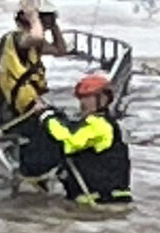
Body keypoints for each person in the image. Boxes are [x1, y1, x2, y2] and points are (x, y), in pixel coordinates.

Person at [0, 0, 67, 180]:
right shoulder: (16, 39)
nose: (44, 24)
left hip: (30, 108)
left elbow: (60, 50)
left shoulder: (34, 45)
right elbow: (36, 37)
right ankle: (20, 161)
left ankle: (37, 171)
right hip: (14, 114)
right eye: (43, 19)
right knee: (49, 134)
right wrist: (34, 17)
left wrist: (54, 26)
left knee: (62, 127)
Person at [39, 74, 132, 205]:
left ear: (104, 99)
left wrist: (47, 119)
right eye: (81, 98)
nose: (83, 103)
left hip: (102, 203)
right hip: (98, 201)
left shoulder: (100, 125)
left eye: (88, 98)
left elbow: (70, 142)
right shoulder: (94, 123)